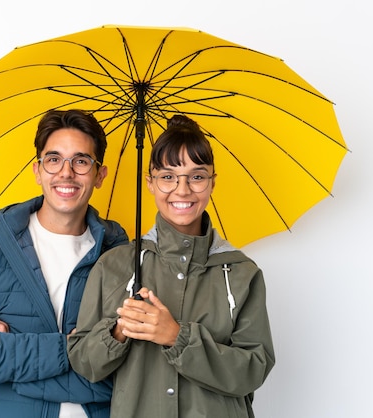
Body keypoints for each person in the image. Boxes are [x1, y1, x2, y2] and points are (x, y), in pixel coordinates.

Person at [68, 115, 275, 418]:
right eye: (167, 176)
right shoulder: (114, 266)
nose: (182, 190)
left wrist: (178, 337)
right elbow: (85, 364)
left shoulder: (242, 273)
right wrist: (118, 331)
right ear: (150, 183)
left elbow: (253, 371)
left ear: (212, 183)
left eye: (196, 176)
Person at [0, 109, 129, 418]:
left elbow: (129, 374)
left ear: (99, 175)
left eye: (81, 161)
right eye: (54, 160)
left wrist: (12, 363)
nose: (66, 173)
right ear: (37, 170)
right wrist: (74, 348)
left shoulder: (120, 255)